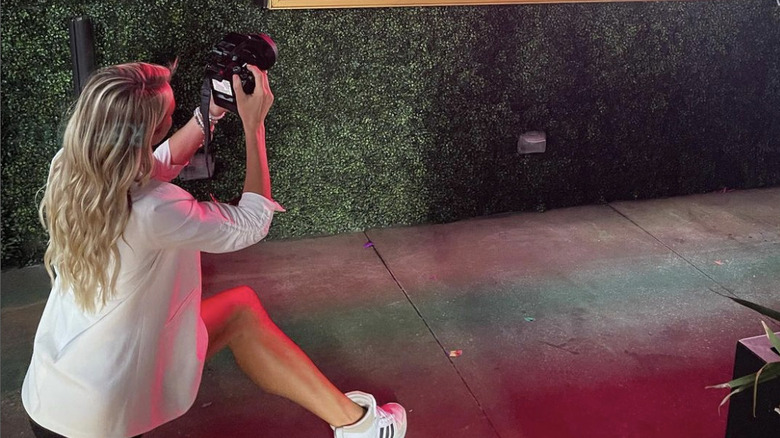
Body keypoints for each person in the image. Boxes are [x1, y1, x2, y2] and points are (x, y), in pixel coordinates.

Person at [22, 61, 407, 438]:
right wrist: (254, 126)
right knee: (240, 312)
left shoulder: (72, 169)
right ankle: (363, 427)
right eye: (170, 116)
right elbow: (252, 223)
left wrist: (209, 116)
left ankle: (360, 425)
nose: (173, 119)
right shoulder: (155, 209)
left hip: (48, 397)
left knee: (241, 312)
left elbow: (152, 164)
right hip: (100, 420)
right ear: (148, 132)